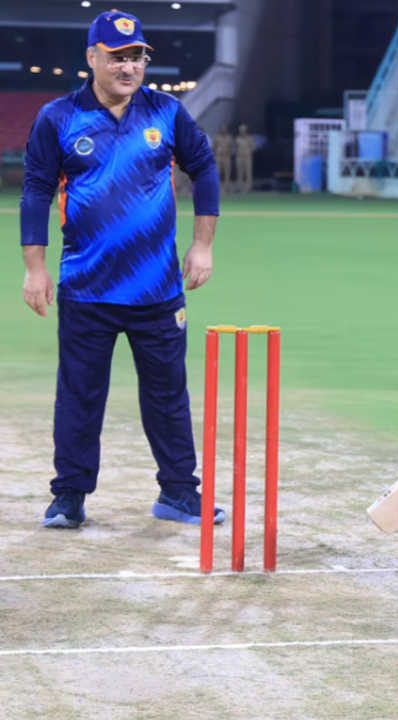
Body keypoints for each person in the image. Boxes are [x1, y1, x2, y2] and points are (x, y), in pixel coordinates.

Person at [19, 10, 224, 529]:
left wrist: (202, 246)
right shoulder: (58, 117)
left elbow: (203, 168)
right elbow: (36, 191)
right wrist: (34, 269)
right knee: (79, 398)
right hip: (87, 289)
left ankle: (179, 493)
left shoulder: (168, 112)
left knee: (168, 396)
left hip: (157, 290)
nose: (129, 66)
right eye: (117, 57)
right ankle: (69, 497)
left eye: (136, 57)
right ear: (92, 58)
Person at [234, 124, 255, 193]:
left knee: (248, 172)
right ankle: (240, 186)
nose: (242, 132)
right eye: (241, 131)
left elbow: (254, 147)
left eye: (243, 131)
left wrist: (249, 150)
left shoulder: (249, 138)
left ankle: (248, 187)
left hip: (247, 157)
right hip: (239, 156)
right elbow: (234, 147)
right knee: (240, 172)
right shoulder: (238, 139)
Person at [212, 124, 233, 192]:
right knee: (218, 172)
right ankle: (217, 187)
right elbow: (214, 147)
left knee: (227, 172)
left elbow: (231, 147)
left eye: (225, 129)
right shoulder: (217, 137)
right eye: (222, 129)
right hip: (218, 156)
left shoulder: (229, 138)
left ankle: (227, 188)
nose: (223, 131)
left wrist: (228, 152)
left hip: (226, 156)